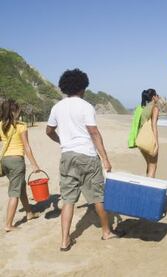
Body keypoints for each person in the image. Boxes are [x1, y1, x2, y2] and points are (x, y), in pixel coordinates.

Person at [46, 68, 117, 251]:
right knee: (98, 197)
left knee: (68, 200)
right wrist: (105, 159)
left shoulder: (57, 107)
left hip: (67, 156)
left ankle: (64, 241)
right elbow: (94, 133)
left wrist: (62, 140)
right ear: (82, 87)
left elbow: (49, 131)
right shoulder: (86, 107)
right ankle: (106, 232)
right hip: (87, 156)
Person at [0, 99, 41, 232]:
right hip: (16, 161)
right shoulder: (21, 126)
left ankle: (29, 213)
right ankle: (9, 224)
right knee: (14, 193)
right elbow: (26, 147)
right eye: (17, 109)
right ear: (13, 111)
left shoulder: (1, 125)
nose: (19, 112)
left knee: (20, 186)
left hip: (5, 160)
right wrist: (34, 164)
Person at [138, 89, 160, 177]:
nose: (158, 97)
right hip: (149, 139)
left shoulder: (144, 108)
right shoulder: (155, 107)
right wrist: (156, 143)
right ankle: (149, 188)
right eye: (157, 95)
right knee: (153, 166)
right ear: (154, 97)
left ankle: (146, 184)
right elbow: (153, 124)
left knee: (149, 165)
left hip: (141, 139)